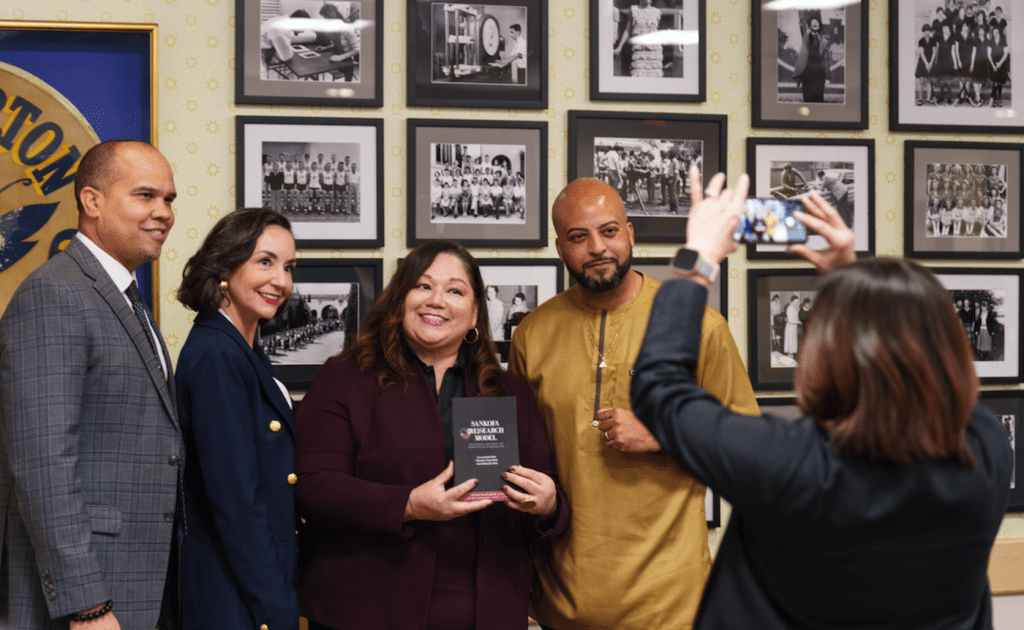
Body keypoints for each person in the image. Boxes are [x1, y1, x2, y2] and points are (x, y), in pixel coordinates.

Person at [630, 167, 1012, 629]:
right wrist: (851, 283)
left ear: (824, 358)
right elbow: (924, 380)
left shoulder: (791, 467)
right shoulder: (986, 452)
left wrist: (699, 261)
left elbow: (660, 390)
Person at [507, 177, 759, 630]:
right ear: (560, 248)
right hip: (561, 605)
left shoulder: (701, 326)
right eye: (578, 237)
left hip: (672, 605)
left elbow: (750, 450)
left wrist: (664, 435)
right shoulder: (532, 334)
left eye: (609, 231)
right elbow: (524, 457)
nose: (597, 248)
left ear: (630, 235)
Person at [294, 240, 571, 630]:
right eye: (423, 286)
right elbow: (312, 487)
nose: (436, 301)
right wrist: (409, 504)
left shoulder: (510, 393)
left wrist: (546, 504)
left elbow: (550, 501)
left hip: (486, 611)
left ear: (475, 314)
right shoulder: (344, 378)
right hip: (366, 611)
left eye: (455, 290)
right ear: (399, 299)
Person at [0, 140, 182, 629]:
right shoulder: (54, 294)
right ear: (92, 201)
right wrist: (89, 605)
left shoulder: (123, 296)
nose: (162, 212)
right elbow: (42, 463)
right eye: (145, 195)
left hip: (137, 586)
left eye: (169, 199)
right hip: (85, 601)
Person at [173, 207, 299, 630]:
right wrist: (277, 610)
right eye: (265, 261)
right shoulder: (217, 356)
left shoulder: (241, 349)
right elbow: (237, 503)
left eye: (288, 267)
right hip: (231, 593)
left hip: (246, 583)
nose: (281, 281)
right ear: (225, 267)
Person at [614, 0, 663, 78]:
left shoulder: (657, 12)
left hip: (653, 53)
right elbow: (627, 30)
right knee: (638, 75)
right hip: (639, 51)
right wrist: (619, 47)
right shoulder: (633, 10)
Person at [792, 16, 832, 103]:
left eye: (817, 22)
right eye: (812, 22)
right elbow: (802, 26)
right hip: (807, 75)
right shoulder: (806, 37)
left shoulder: (824, 42)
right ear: (809, 26)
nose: (815, 23)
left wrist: (827, 78)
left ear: (819, 26)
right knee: (807, 100)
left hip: (819, 75)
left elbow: (826, 61)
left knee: (818, 100)